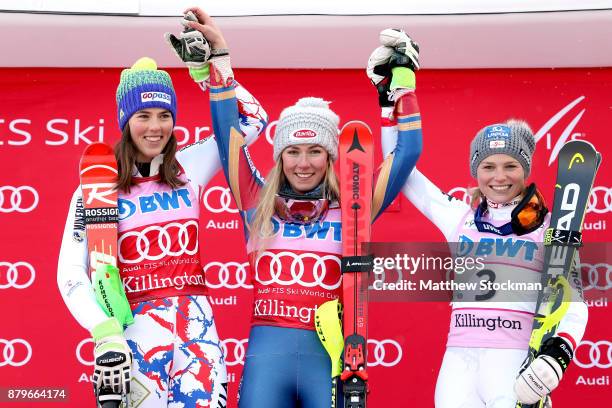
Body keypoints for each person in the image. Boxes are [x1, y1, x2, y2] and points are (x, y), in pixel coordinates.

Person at [178, 8, 423, 407]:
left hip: (329, 365)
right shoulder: (256, 202)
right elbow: (227, 134)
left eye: (314, 151)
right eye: (292, 151)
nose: (303, 163)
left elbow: (408, 150)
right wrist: (220, 59)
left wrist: (401, 85)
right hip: (265, 366)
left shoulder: (354, 207)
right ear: (280, 156)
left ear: (330, 157)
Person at [375, 34, 588, 407]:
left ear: (526, 170)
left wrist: (556, 356)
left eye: (511, 165)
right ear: (476, 170)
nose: (498, 176)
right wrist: (395, 95)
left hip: (515, 366)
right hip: (458, 366)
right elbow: (401, 166)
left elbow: (574, 303)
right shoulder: (459, 217)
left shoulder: (551, 225)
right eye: (488, 166)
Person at [57, 53, 267, 407]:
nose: (155, 127)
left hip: (198, 340)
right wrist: (103, 331)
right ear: (125, 120)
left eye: (164, 115)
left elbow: (254, 120)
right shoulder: (94, 188)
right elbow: (70, 273)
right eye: (143, 116)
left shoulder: (191, 165)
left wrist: (210, 73)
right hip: (133, 343)